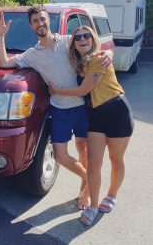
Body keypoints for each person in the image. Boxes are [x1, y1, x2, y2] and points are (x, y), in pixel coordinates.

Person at [0, 5, 112, 210]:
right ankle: (90, 178)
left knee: (84, 151)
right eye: (36, 21)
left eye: (43, 19)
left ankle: (85, 189)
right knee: (60, 155)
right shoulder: (31, 54)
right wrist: (1, 36)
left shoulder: (67, 41)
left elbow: (94, 47)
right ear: (32, 26)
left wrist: (109, 52)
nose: (40, 23)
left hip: (82, 107)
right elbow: (4, 62)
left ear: (49, 20)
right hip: (60, 110)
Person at [49, 25, 134, 226]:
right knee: (94, 164)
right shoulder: (79, 63)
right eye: (77, 37)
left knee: (116, 159)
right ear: (74, 44)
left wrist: (56, 90)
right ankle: (94, 204)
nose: (82, 39)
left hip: (117, 111)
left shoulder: (98, 58)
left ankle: (112, 195)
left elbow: (84, 89)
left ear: (93, 38)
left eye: (86, 35)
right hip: (96, 115)